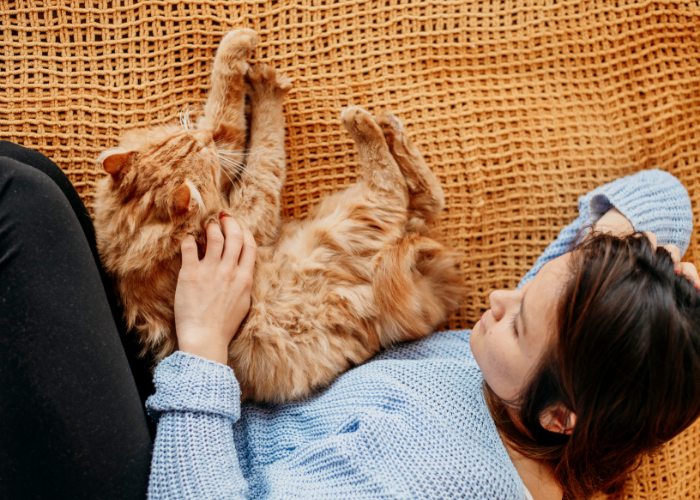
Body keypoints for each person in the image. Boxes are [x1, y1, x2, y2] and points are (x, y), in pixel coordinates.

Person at [1, 141, 698, 499]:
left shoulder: (434, 480)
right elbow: (664, 197)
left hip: (176, 475)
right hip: (187, 421)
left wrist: (207, 341)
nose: (497, 301)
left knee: (21, 206)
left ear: (561, 417)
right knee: (42, 187)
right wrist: (654, 285)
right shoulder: (550, 388)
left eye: (518, 323)